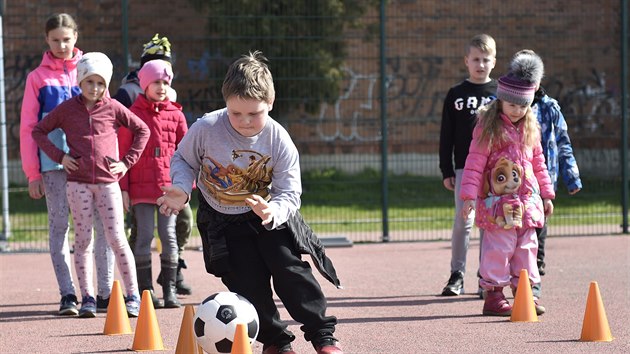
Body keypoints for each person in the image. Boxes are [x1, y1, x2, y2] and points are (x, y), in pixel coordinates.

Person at [157, 51, 343, 354]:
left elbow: (289, 191)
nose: (244, 121)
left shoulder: (278, 139)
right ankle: (275, 341)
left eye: (254, 114)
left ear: (270, 104)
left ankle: (323, 335)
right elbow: (183, 159)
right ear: (225, 103)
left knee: (290, 271)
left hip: (267, 215)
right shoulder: (206, 128)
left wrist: (274, 210)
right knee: (246, 282)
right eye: (235, 113)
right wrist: (181, 188)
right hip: (221, 218)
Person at [32, 52, 150, 318]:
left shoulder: (113, 107)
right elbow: (38, 131)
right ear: (79, 81)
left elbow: (143, 130)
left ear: (106, 84)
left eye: (100, 83)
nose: (94, 88)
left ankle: (132, 296)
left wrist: (126, 163)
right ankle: (87, 298)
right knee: (83, 241)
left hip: (109, 184)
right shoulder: (66, 109)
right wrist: (60, 157)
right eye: (89, 82)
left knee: (117, 239)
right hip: (78, 186)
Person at [19, 13, 114, 316]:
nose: (61, 45)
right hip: (54, 166)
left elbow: (108, 119)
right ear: (47, 40)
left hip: (93, 167)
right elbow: (28, 127)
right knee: (60, 226)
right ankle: (68, 294)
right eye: (55, 39)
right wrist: (33, 172)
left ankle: (103, 293)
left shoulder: (93, 70)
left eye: (67, 38)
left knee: (102, 227)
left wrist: (114, 165)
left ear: (76, 37)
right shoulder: (37, 78)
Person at [460, 71, 555, 317]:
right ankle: (493, 296)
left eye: (523, 105)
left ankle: (525, 294)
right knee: (498, 249)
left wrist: (546, 193)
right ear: (501, 100)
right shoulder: (488, 127)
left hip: (528, 201)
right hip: (497, 204)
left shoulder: (530, 127)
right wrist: (469, 195)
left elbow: (539, 162)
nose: (517, 110)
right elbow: (475, 161)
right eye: (512, 104)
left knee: (526, 247)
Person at [113, 33, 193, 296]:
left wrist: (186, 187)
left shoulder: (177, 114)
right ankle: (145, 290)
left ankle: (169, 287)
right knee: (145, 236)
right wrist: (123, 188)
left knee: (168, 237)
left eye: (165, 82)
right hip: (140, 189)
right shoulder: (133, 114)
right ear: (144, 85)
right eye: (155, 82)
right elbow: (123, 152)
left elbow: (188, 152)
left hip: (168, 188)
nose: (161, 87)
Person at [438, 33, 497, 296]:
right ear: (466, 61)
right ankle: (456, 275)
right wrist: (446, 170)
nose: (480, 64)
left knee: (490, 223)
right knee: (464, 221)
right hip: (464, 168)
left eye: (486, 59)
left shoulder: (499, 94)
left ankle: (487, 277)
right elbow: (446, 134)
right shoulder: (456, 94)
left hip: (495, 171)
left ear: (494, 62)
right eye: (476, 59)